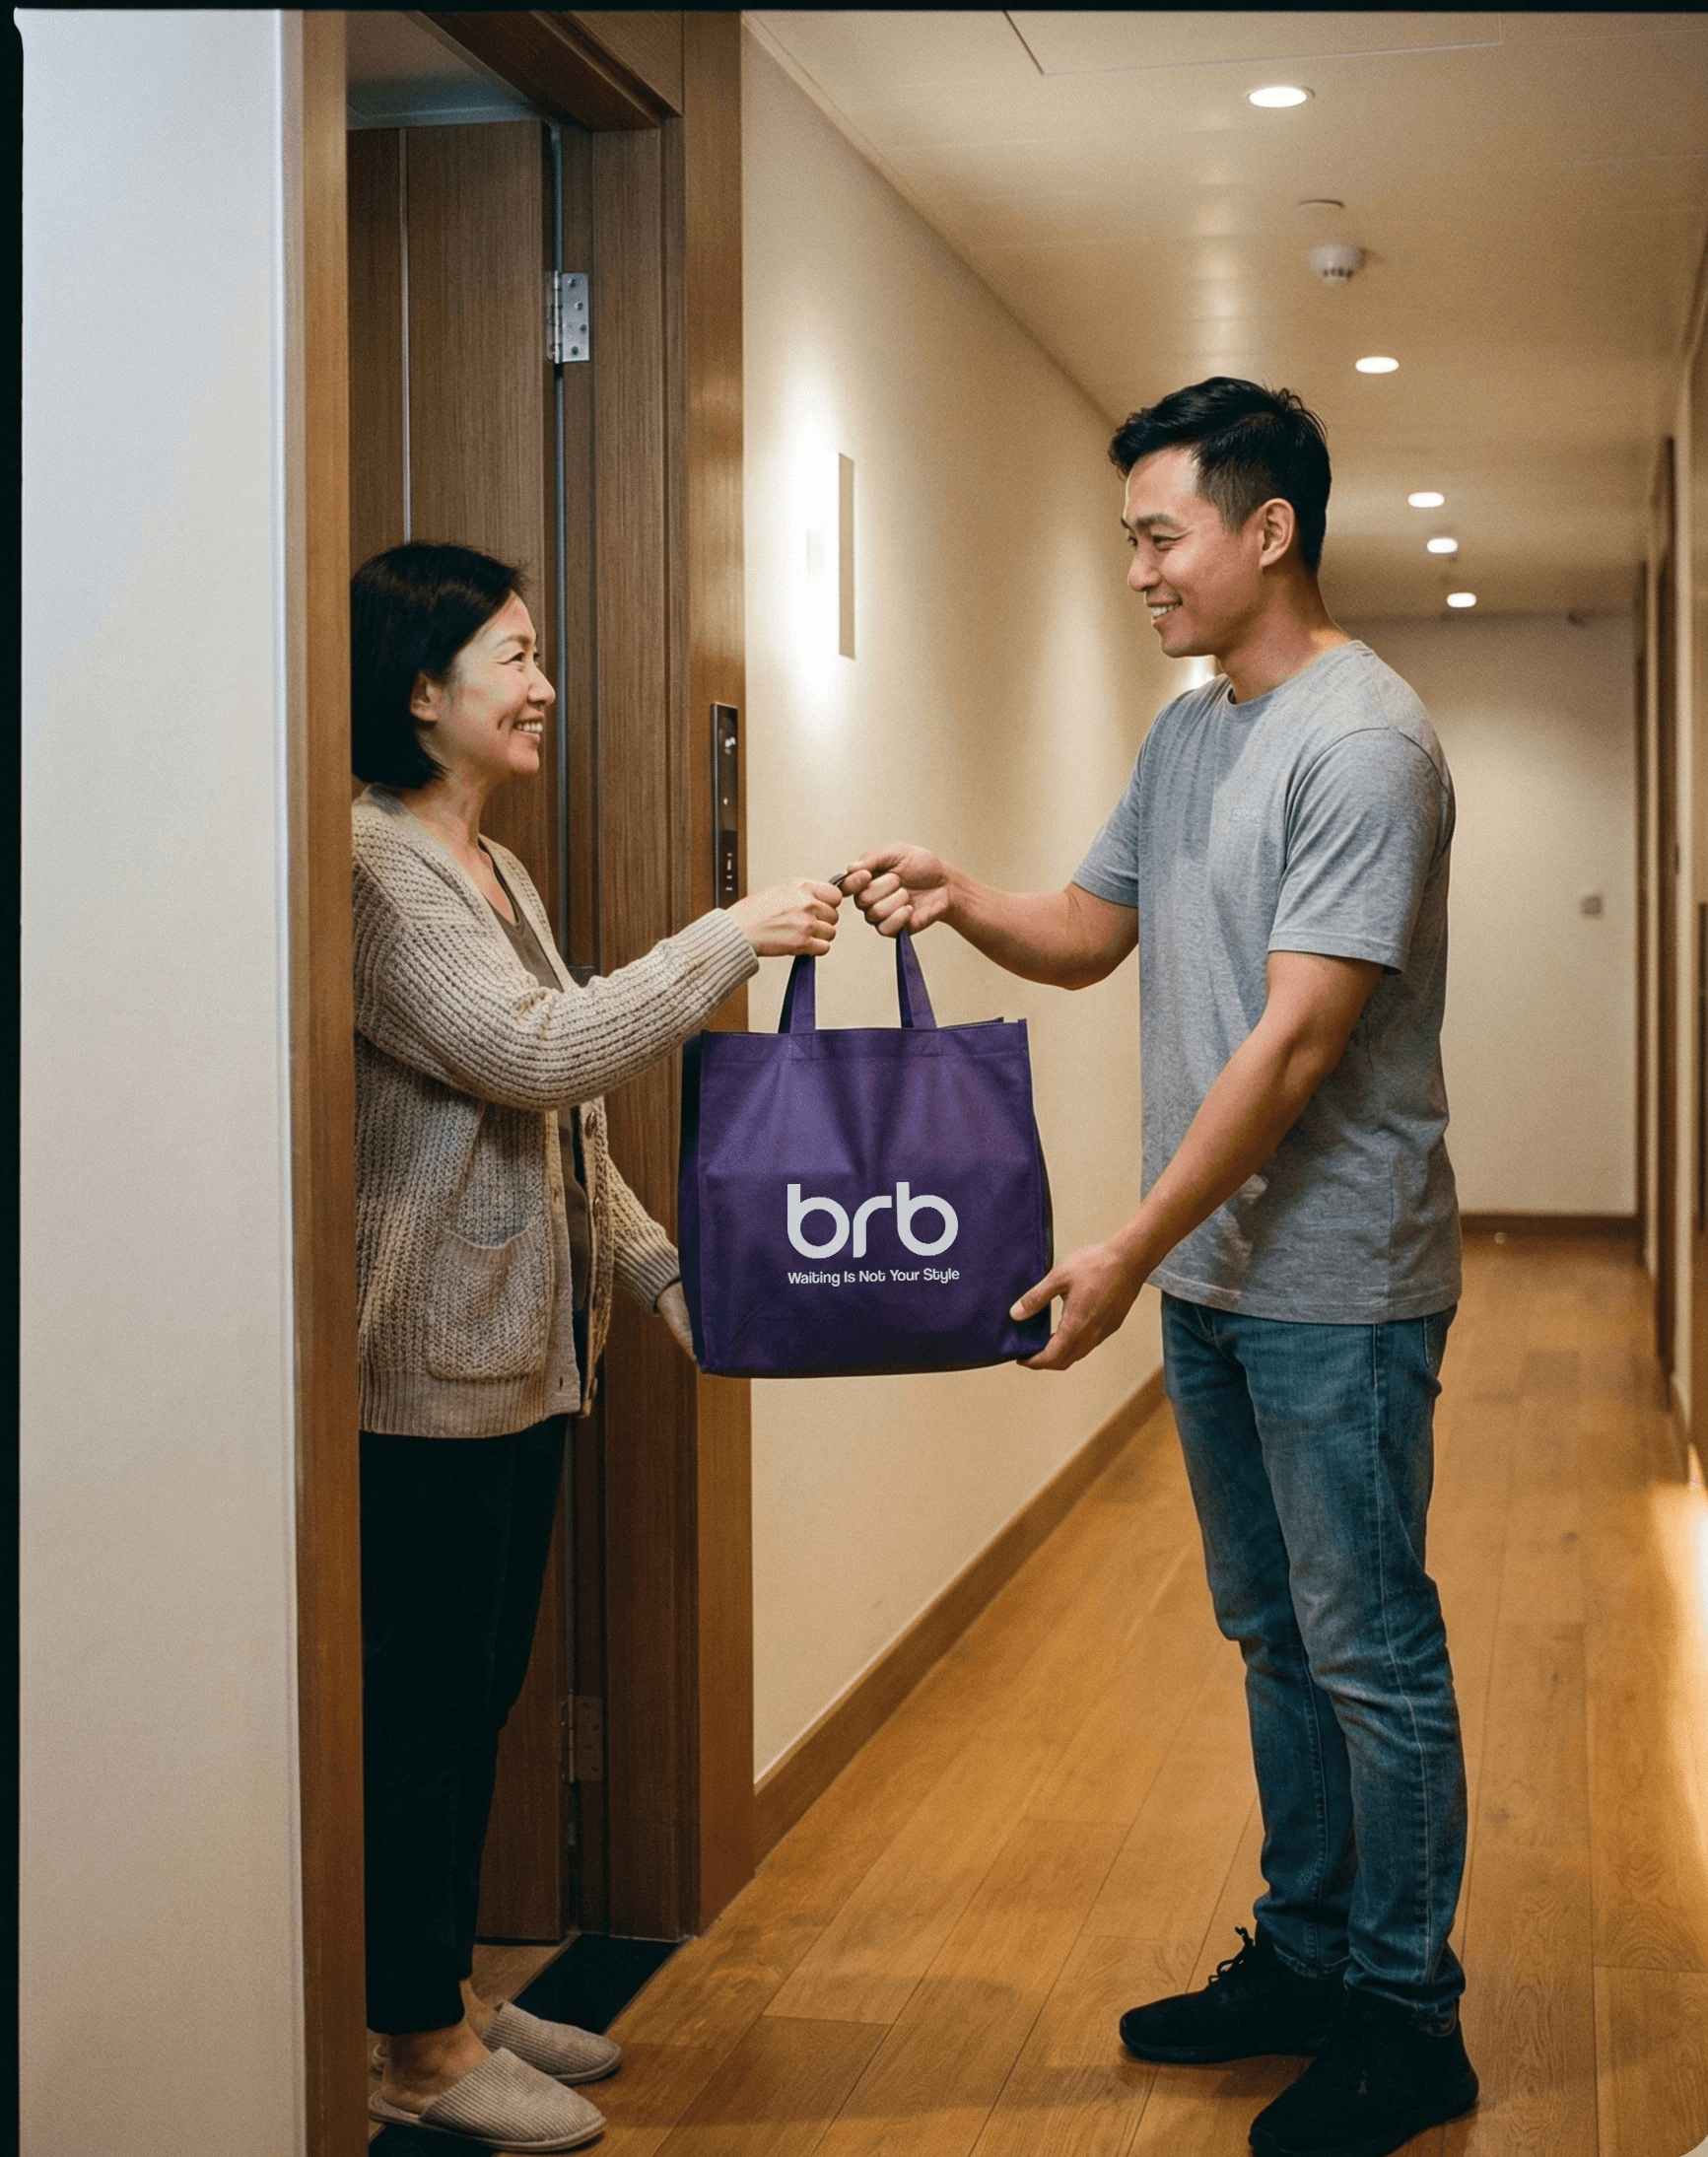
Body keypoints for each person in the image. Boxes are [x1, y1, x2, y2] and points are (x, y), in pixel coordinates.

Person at [843, 379, 1475, 2157]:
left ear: (1268, 531)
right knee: (1274, 1635)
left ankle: (1410, 2020)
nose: (1135, 568)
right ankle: (1307, 1953)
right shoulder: (1193, 732)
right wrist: (965, 895)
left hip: (1336, 1282)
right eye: (1129, 535)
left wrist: (1124, 1244)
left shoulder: (1364, 744)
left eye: (1156, 531)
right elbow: (1089, 931)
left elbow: (1289, 1054)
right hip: (1216, 1276)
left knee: (1368, 1651)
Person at [351, 541, 841, 2152]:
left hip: (531, 1357)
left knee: (482, 1690)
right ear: (420, 692)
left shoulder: (494, 868)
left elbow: (569, 1140)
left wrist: (662, 1278)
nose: (542, 682)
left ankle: (436, 1992)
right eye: (512, 655)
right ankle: (410, 2047)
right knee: (427, 1710)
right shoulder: (370, 866)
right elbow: (532, 1055)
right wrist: (730, 940)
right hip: (423, 1378)